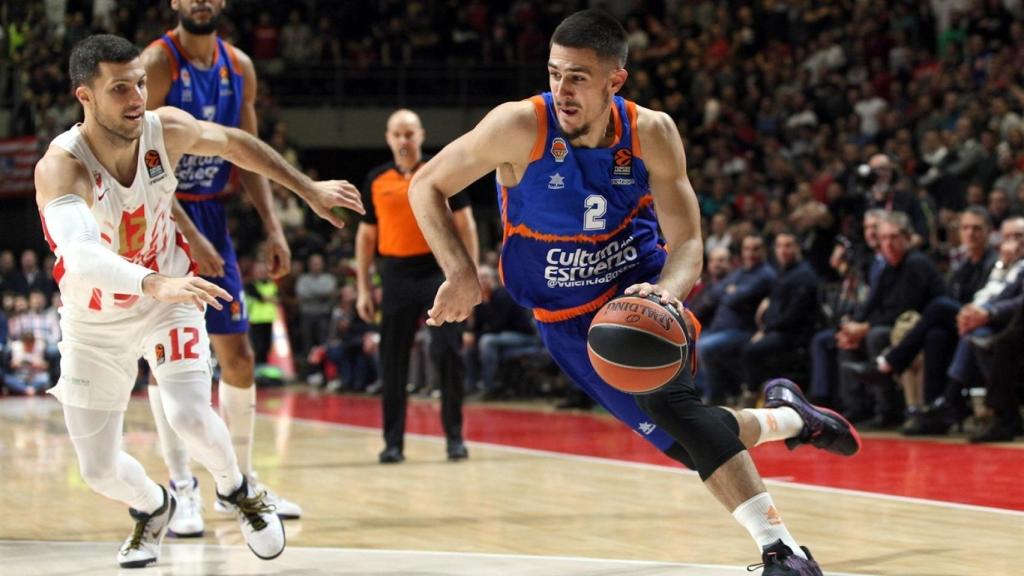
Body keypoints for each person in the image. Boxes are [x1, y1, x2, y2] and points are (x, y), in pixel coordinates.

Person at [407, 10, 858, 574]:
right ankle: (791, 419)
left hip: (633, 298)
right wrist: (461, 272)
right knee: (683, 438)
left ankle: (784, 553)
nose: (562, 90)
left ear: (614, 80)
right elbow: (426, 184)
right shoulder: (519, 126)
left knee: (675, 410)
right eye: (554, 73)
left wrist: (667, 293)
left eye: (578, 77)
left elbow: (689, 238)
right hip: (563, 322)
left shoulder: (652, 133)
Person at [35, 34, 362, 568]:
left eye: (140, 83)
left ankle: (238, 490)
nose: (137, 97)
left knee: (189, 412)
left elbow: (235, 142)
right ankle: (153, 506)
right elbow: (80, 255)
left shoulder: (166, 129)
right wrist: (152, 282)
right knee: (97, 470)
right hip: (96, 319)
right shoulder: (60, 166)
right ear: (85, 97)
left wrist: (307, 189)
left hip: (171, 295)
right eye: (120, 89)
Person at [139, 0, 303, 536]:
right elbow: (145, 162)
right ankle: (182, 487)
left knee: (238, 354)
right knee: (168, 359)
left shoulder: (240, 68)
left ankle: (242, 483)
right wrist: (189, 234)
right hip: (162, 217)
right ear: (175, 3)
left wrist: (274, 227)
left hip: (213, 215)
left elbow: (248, 155)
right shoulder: (158, 64)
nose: (200, 2)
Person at [355, 109, 477, 464]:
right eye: (397, 134)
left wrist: (465, 275)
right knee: (392, 359)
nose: (404, 140)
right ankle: (393, 442)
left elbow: (466, 224)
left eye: (410, 133)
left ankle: (455, 437)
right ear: (388, 138)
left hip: (438, 270)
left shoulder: (440, 173)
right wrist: (364, 288)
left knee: (447, 353)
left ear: (421, 136)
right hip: (395, 274)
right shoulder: (376, 180)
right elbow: (365, 239)